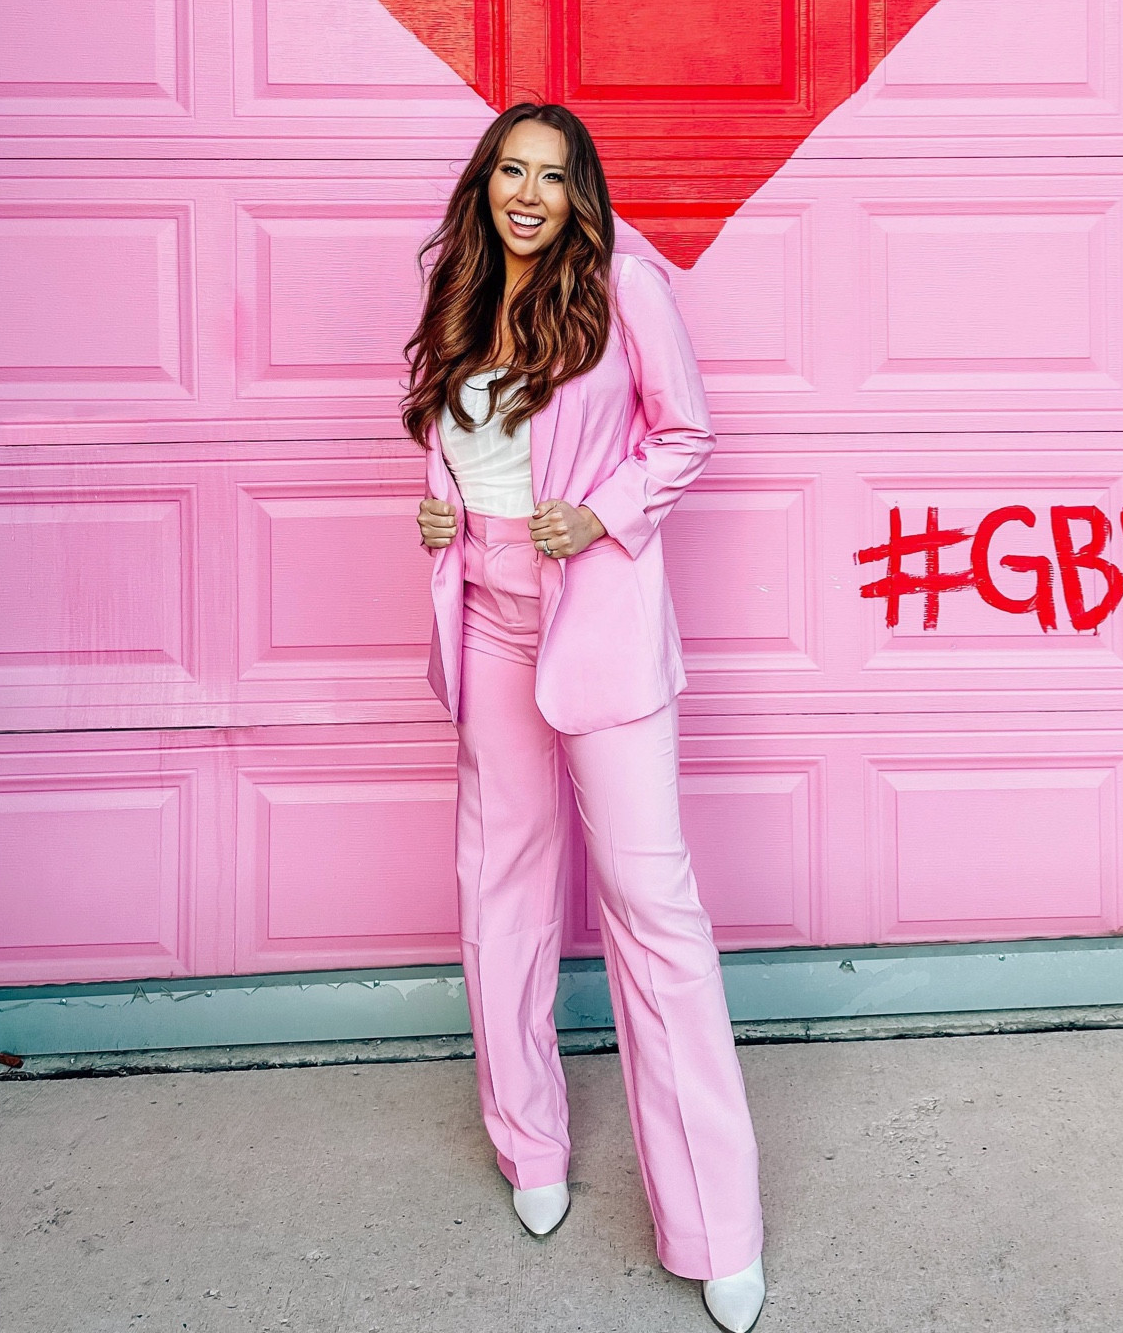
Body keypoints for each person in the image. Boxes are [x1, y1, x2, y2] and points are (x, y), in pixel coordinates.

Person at [405, 102, 766, 1332]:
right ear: (485, 182)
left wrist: (601, 510)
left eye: (550, 176)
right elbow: (459, 442)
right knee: (497, 892)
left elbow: (687, 432)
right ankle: (530, 1144)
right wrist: (444, 513)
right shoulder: (461, 286)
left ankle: (718, 1222)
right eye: (510, 169)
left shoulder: (623, 285)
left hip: (594, 619)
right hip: (488, 616)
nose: (527, 192)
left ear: (577, 192)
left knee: (652, 907)